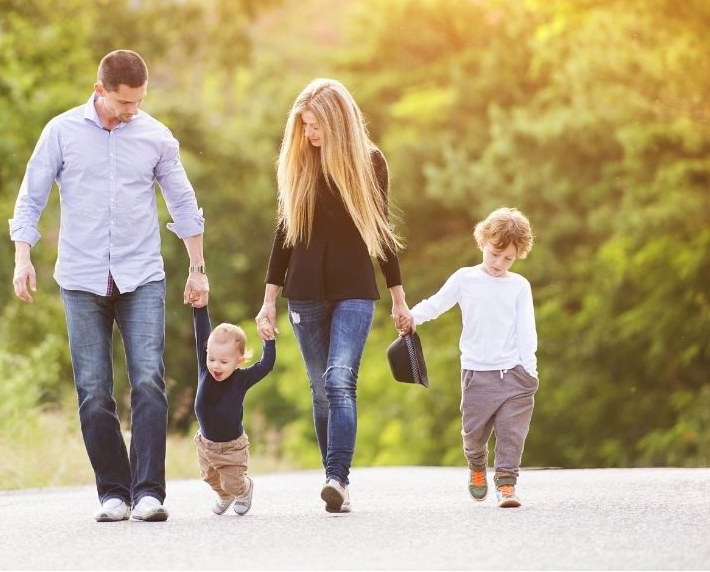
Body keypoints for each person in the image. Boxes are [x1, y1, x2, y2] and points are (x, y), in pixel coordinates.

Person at [9, 49, 209, 523]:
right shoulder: (61, 132)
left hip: (141, 274)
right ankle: (113, 493)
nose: (132, 110)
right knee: (95, 388)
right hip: (81, 278)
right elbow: (31, 195)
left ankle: (149, 492)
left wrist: (197, 267)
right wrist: (23, 258)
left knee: (147, 382)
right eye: (124, 102)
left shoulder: (155, 137)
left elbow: (183, 201)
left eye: (139, 101)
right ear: (100, 90)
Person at [255, 78, 410, 514]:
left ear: (338, 122)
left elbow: (383, 236)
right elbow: (282, 238)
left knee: (339, 379)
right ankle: (332, 478)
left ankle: (337, 479)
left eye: (316, 125)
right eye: (304, 125)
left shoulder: (371, 163)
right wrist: (268, 301)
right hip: (304, 294)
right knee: (321, 391)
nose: (310, 134)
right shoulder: (298, 165)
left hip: (355, 291)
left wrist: (399, 299)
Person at [402, 207, 538, 508]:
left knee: (511, 435)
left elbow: (527, 331)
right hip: (477, 374)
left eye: (508, 259)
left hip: (515, 375)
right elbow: (437, 304)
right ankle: (477, 466)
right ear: (483, 242)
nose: (499, 263)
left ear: (518, 256)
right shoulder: (465, 279)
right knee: (473, 435)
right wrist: (412, 317)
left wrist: (530, 371)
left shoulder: (519, 286)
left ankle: (506, 484)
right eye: (494, 254)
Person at [191, 302, 275, 516]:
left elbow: (266, 365)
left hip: (231, 448)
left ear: (239, 361)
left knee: (233, 484)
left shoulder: (241, 379)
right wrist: (200, 307)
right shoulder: (205, 369)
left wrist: (269, 340)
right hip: (205, 444)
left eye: (224, 361)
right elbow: (201, 330)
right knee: (209, 477)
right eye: (211, 358)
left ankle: (244, 489)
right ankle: (224, 496)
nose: (215, 366)